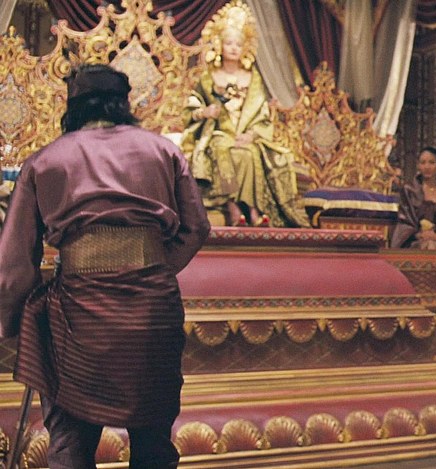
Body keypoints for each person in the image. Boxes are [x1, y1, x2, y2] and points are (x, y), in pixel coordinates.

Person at [0, 63, 211, 468]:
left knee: (70, 444)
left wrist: (11, 323)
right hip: (152, 307)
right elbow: (197, 226)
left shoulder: (45, 160)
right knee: (154, 443)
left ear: (72, 107)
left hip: (79, 312)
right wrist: (155, 266)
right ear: (124, 104)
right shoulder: (164, 150)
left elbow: (14, 260)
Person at [181, 0, 308, 228]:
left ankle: (252, 209)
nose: (233, 48)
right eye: (229, 43)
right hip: (217, 134)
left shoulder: (254, 79)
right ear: (220, 44)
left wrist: (251, 135)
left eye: (238, 44)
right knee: (222, 148)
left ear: (245, 47)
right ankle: (232, 207)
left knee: (249, 154)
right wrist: (205, 112)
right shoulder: (209, 77)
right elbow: (191, 106)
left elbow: (262, 115)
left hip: (244, 136)